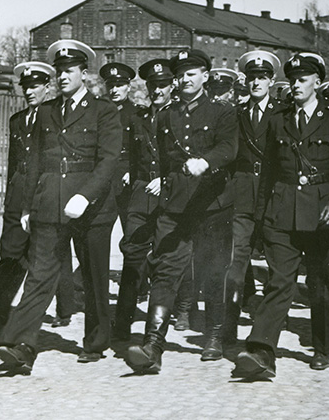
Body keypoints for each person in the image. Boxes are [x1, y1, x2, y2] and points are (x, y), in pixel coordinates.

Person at [0, 40, 121, 374]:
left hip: (91, 206)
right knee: (40, 273)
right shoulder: (48, 111)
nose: (63, 77)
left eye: (69, 71)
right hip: (49, 202)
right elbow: (34, 160)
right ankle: (21, 344)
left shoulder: (104, 111)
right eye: (59, 72)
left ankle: (95, 342)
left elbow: (109, 160)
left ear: (84, 72)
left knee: (94, 276)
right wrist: (27, 206)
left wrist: (86, 195)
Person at [233, 52, 329, 379]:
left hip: (323, 213)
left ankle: (322, 347)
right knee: (279, 282)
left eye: (302, 80)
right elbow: (269, 174)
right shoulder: (279, 118)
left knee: (323, 285)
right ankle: (261, 351)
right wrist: (261, 220)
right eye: (292, 80)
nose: (296, 85)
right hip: (281, 212)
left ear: (317, 82)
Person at [125, 48, 238, 373]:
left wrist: (207, 162)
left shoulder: (223, 112)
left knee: (214, 272)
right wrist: (164, 181)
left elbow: (229, 148)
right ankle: (153, 344)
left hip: (213, 204)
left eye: (192, 73)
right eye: (182, 75)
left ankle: (214, 335)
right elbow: (163, 158)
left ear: (205, 75)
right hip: (175, 207)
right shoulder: (165, 115)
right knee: (165, 271)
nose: (186, 79)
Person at [0, 61, 55, 341]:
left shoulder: (54, 117)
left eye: (35, 86)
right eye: (26, 87)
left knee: (43, 261)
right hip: (17, 197)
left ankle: (34, 322)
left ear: (47, 87)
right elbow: (15, 163)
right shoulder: (17, 120)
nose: (29, 92)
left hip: (45, 197)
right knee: (10, 258)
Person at [113, 58, 175, 342]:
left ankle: (156, 331)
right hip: (140, 195)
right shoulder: (139, 117)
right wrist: (130, 173)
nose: (158, 90)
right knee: (132, 257)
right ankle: (122, 325)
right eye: (153, 85)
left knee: (166, 259)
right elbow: (131, 155)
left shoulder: (179, 116)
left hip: (171, 196)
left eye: (163, 85)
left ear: (171, 85)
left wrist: (163, 179)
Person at [223, 50, 281, 349]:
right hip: (243, 193)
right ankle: (228, 327)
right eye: (252, 78)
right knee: (236, 263)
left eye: (262, 78)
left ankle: (265, 332)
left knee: (275, 263)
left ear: (272, 80)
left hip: (273, 194)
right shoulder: (238, 113)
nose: (256, 83)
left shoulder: (283, 113)